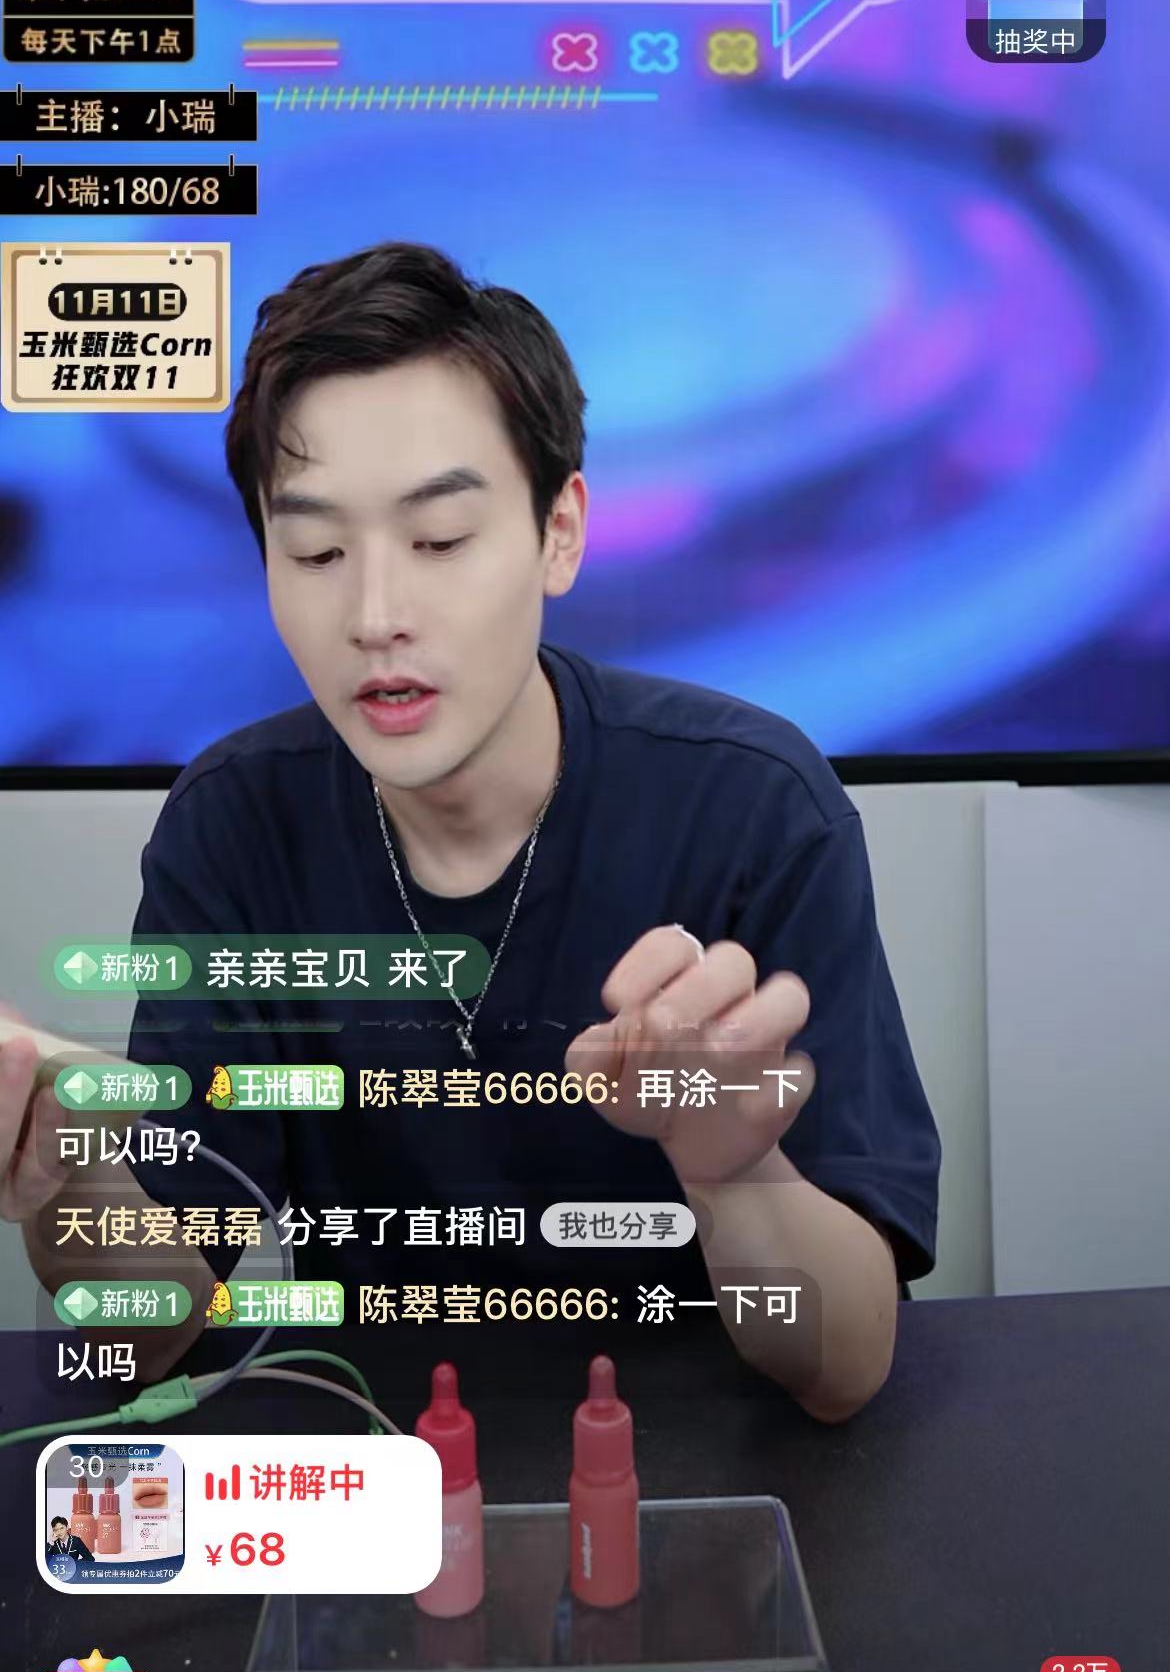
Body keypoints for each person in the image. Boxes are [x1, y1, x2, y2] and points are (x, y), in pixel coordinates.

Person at [5, 242, 940, 1422]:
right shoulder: (235, 823)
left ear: (560, 531)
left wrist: (735, 1169)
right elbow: (153, 1328)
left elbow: (844, 1366)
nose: (376, 615)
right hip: (382, 1459)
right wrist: (68, 1175)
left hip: (698, 1475)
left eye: (440, 539)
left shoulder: (754, 805)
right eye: (316, 552)